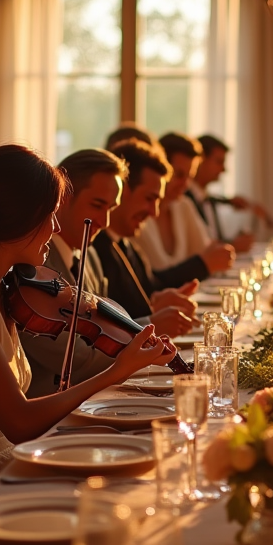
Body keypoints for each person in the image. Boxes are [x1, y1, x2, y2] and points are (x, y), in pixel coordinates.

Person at [0, 144, 169, 537]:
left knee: (126, 483)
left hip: (2, 466)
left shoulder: (2, 286)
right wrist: (115, 371)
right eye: (50, 215)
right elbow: (19, 422)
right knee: (111, 510)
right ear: (20, 219)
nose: (57, 228)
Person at [21, 147, 195, 397]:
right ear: (62, 197)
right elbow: (78, 361)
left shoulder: (88, 254)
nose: (104, 222)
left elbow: (102, 331)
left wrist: (144, 330)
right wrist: (146, 330)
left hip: (95, 399)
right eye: (97, 205)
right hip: (53, 409)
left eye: (111, 208)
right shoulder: (33, 270)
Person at [95, 138, 222, 319]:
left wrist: (160, 300)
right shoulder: (96, 247)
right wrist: (152, 314)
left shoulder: (124, 244)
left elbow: (149, 290)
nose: (154, 213)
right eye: (149, 198)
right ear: (121, 190)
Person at [134, 132, 235, 273]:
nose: (185, 185)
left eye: (190, 177)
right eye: (179, 175)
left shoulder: (183, 205)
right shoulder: (138, 213)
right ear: (161, 169)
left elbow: (206, 252)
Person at [193, 133, 272, 252]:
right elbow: (199, 247)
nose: (224, 169)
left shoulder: (207, 198)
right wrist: (233, 246)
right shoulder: (185, 199)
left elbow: (213, 239)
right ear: (200, 160)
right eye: (219, 162)